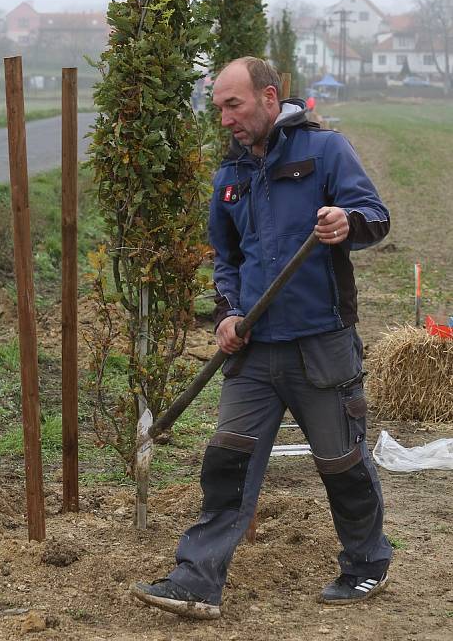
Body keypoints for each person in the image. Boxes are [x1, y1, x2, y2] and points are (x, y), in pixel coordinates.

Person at [131, 57, 392, 620]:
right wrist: (226, 314)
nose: (224, 118)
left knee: (341, 460)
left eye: (234, 105)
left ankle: (366, 564)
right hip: (252, 349)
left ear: (270, 98)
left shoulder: (325, 152)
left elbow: (376, 215)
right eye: (218, 106)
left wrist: (347, 222)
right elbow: (225, 260)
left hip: (321, 343)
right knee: (227, 463)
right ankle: (196, 579)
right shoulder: (230, 176)